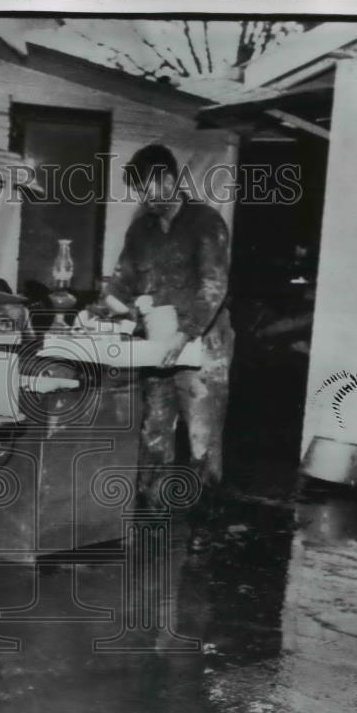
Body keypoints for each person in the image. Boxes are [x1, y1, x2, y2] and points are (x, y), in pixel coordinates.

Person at [102, 144, 234, 525]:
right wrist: (109, 307)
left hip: (202, 344)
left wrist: (186, 335)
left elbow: (213, 286)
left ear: (169, 179)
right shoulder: (140, 231)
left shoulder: (206, 222)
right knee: (155, 430)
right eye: (139, 191)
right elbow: (121, 283)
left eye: (147, 188)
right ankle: (152, 515)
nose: (143, 198)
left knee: (201, 433)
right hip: (157, 347)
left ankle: (202, 529)